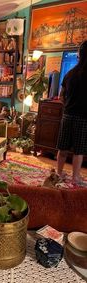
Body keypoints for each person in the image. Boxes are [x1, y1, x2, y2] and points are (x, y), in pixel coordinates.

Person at [57, 40, 87, 184]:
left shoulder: (70, 73)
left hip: (67, 115)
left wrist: (68, 105)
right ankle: (75, 177)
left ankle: (59, 173)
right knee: (78, 150)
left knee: (63, 147)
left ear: (79, 55)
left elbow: (61, 95)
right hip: (83, 117)